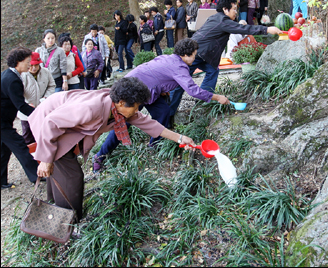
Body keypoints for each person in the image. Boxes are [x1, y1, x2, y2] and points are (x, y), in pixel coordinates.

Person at [30, 77, 197, 219]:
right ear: (122, 102)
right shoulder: (91, 108)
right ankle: (68, 222)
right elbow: (51, 123)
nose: (137, 110)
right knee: (72, 176)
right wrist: (45, 159)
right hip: (47, 124)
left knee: (61, 171)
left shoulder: (118, 108)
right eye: (136, 106)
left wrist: (181, 138)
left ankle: (53, 206)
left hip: (61, 129)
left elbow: (149, 124)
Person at [93, 39, 230, 171]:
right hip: (133, 91)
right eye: (194, 55)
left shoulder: (169, 58)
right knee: (122, 124)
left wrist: (163, 89)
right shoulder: (179, 67)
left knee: (163, 112)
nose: (195, 58)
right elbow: (193, 90)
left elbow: (155, 73)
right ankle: (100, 157)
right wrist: (218, 97)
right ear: (185, 55)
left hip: (149, 91)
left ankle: (154, 145)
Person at [169, 0, 282, 119]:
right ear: (225, 9)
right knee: (179, 85)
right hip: (196, 54)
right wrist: (266, 29)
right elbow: (243, 28)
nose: (236, 12)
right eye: (234, 9)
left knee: (213, 71)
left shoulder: (215, 17)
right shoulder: (223, 20)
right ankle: (168, 115)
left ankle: (203, 102)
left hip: (203, 54)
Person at [1, 47, 40, 189]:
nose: (30, 64)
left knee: (4, 151)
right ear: (18, 62)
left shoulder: (10, 75)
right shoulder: (12, 80)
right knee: (20, 145)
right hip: (2, 123)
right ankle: (37, 175)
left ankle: (1, 181)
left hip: (4, 121)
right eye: (27, 61)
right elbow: (20, 106)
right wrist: (39, 113)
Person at [17, 52, 56, 145]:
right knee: (28, 134)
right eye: (31, 65)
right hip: (26, 110)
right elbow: (17, 93)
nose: (34, 68)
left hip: (43, 107)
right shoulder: (22, 75)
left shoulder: (45, 72)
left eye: (36, 65)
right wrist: (25, 103)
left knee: (44, 132)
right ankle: (30, 155)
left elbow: (52, 85)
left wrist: (46, 97)